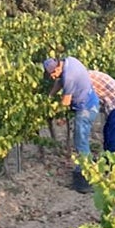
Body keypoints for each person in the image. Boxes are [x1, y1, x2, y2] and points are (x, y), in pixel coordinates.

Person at [42, 57, 100, 194]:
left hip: (86, 108)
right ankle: (86, 167)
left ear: (57, 68)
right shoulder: (68, 62)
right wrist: (49, 97)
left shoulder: (69, 76)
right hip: (89, 103)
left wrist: (60, 117)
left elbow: (66, 101)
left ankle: (86, 177)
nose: (52, 77)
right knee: (81, 139)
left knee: (81, 141)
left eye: (52, 74)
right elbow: (58, 82)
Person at [88, 69, 115, 156]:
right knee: (108, 133)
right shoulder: (85, 75)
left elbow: (90, 101)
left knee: (112, 137)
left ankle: (113, 162)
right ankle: (109, 160)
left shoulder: (84, 81)